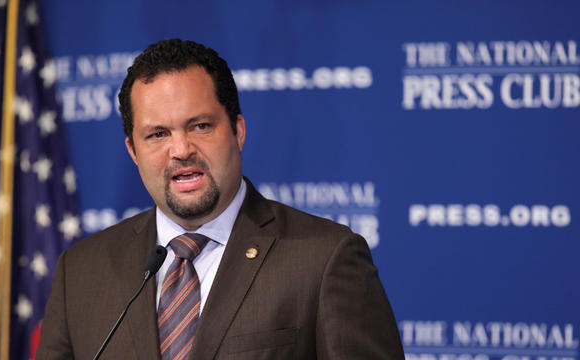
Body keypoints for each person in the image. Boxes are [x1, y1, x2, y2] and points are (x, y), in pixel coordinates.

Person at [36, 39, 404, 360]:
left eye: (200, 126)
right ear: (134, 151)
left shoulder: (323, 259)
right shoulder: (81, 274)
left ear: (238, 131)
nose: (180, 150)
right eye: (158, 134)